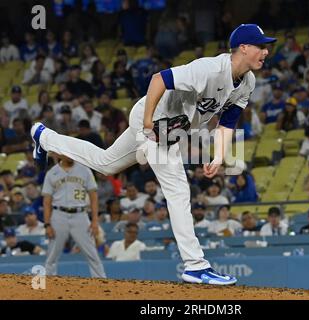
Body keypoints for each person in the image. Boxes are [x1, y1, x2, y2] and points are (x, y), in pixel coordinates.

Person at [31, 23, 275, 285]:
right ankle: (195, 265)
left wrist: (218, 156)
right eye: (261, 46)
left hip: (171, 128)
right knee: (178, 189)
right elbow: (159, 78)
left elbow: (228, 121)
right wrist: (148, 124)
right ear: (244, 47)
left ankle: (43, 137)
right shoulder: (210, 68)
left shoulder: (247, 81)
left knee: (106, 163)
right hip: (155, 119)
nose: (266, 52)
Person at [42, 155, 106, 278]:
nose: (69, 155)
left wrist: (94, 221)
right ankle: (49, 283)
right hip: (58, 215)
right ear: (60, 154)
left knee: (92, 253)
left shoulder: (85, 170)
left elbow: (93, 197)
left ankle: (101, 283)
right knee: (52, 254)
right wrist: (47, 224)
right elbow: (46, 201)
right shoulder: (52, 173)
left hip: (80, 215)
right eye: (66, 153)